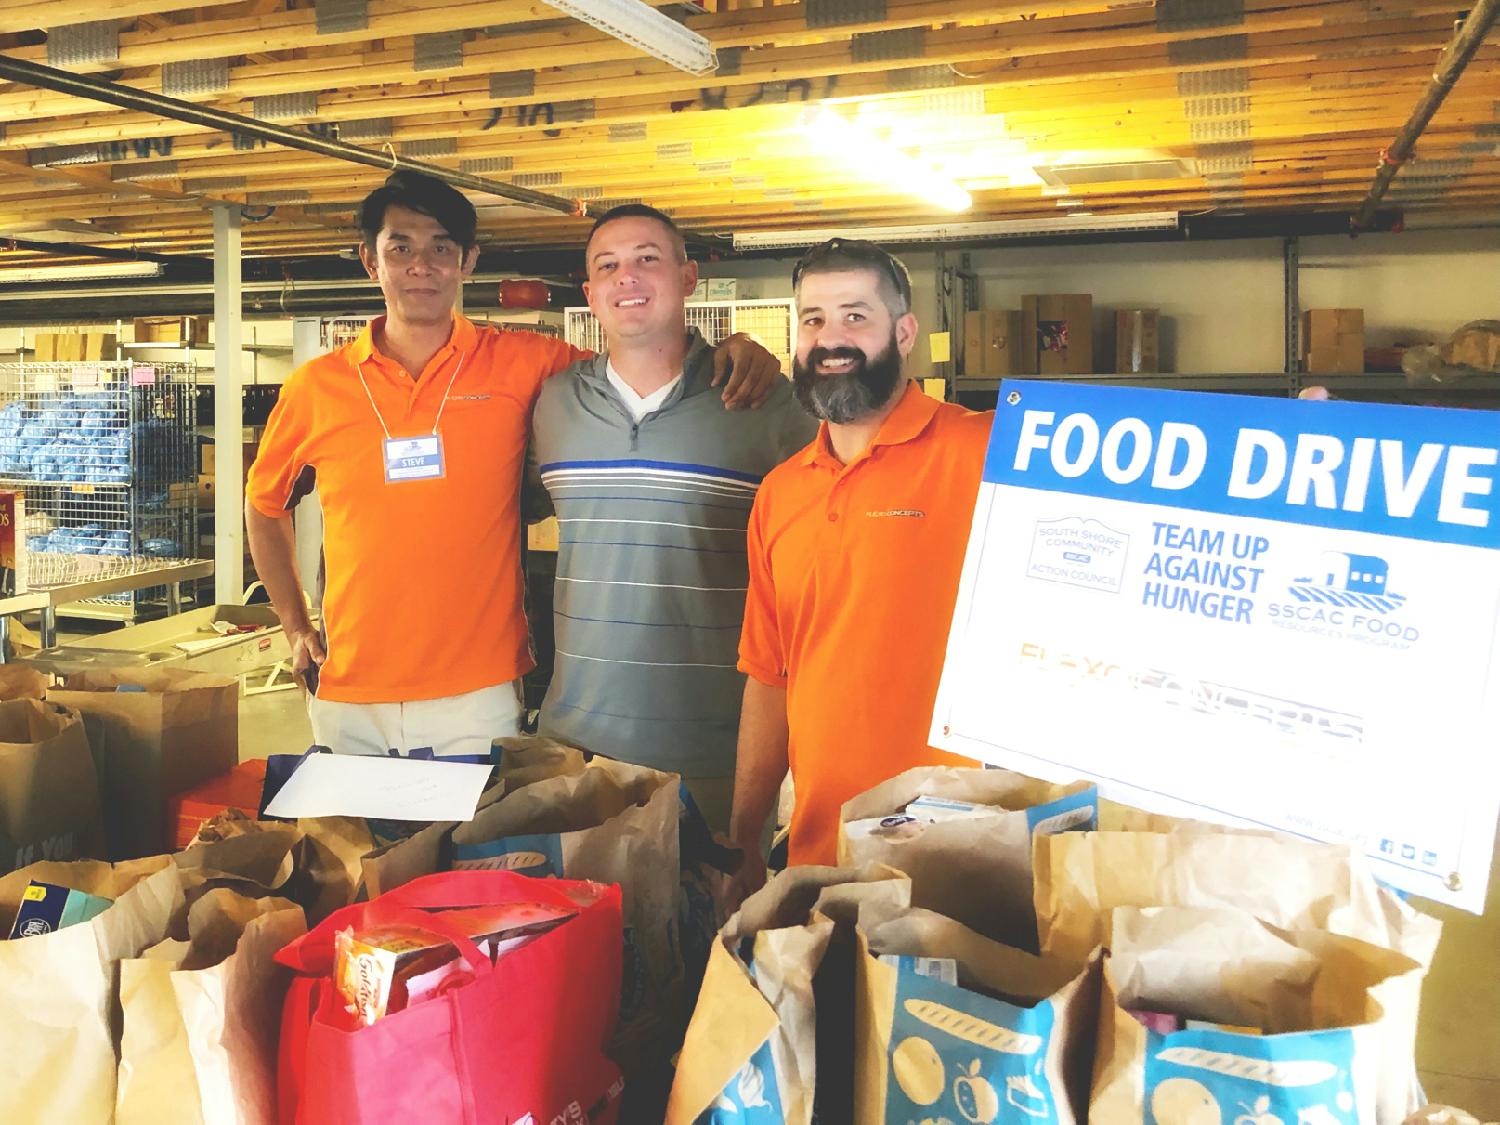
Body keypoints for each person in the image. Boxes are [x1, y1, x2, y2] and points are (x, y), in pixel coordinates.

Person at [245, 172, 780, 759]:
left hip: (480, 689)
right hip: (349, 685)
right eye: (400, 246)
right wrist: (296, 626)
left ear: (467, 261)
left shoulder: (527, 363)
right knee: (348, 849)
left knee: (474, 851)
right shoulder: (316, 388)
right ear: (370, 262)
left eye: (441, 247)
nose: (421, 264)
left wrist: (737, 347)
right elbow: (264, 505)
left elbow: (643, 356)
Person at [528, 204, 817, 831]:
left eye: (647, 260)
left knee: (709, 925)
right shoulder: (552, 401)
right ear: (589, 293)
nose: (626, 277)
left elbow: (825, 556)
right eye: (608, 266)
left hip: (716, 752)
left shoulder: (767, 405)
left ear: (688, 278)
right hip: (572, 746)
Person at [726, 237, 995, 898]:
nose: (831, 338)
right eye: (813, 319)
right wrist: (743, 839)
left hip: (965, 860)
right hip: (820, 851)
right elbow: (770, 678)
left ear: (904, 333)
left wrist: (1292, 430)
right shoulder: (781, 493)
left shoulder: (983, 448)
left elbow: (1125, 457)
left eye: (856, 316)